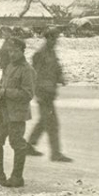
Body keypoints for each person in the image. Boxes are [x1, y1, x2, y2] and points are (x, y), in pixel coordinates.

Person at [0, 38, 36, 188]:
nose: (12, 54)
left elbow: (28, 94)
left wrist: (5, 92)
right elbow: (5, 83)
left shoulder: (27, 70)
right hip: (4, 111)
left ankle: (17, 177)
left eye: (15, 51)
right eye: (10, 51)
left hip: (17, 113)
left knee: (17, 143)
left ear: (22, 51)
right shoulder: (9, 66)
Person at [27, 29, 72, 162]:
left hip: (49, 92)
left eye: (56, 39)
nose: (56, 41)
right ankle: (55, 153)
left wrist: (60, 77)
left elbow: (56, 69)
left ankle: (28, 146)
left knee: (44, 121)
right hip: (43, 93)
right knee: (52, 123)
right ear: (48, 39)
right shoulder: (40, 54)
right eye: (53, 39)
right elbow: (35, 74)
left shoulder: (51, 52)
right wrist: (37, 93)